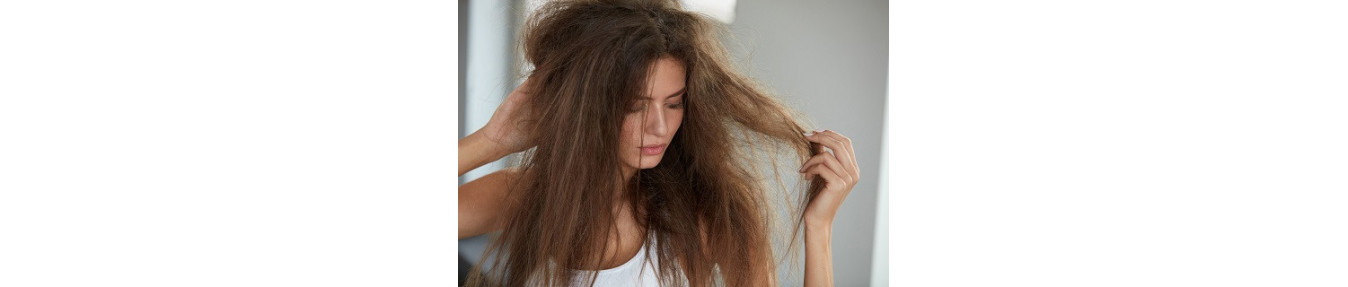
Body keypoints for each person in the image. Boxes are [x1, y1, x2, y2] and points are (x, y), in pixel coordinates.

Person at [458, 0, 860, 285]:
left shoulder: (704, 215)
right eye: (634, 106)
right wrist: (492, 140)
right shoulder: (527, 194)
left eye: (674, 103)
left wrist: (818, 227)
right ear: (585, 108)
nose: (659, 127)